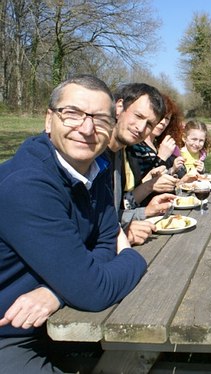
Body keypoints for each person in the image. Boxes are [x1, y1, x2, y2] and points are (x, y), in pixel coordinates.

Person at [0, 75, 147, 372]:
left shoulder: (95, 170)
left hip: (52, 326)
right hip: (9, 335)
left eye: (101, 119)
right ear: (48, 120)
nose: (87, 128)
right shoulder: (27, 184)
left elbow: (105, 242)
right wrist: (133, 257)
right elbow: (95, 290)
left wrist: (56, 291)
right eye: (73, 114)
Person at [106, 83, 177, 246]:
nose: (140, 128)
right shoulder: (92, 152)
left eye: (150, 124)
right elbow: (81, 224)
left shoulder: (119, 153)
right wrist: (119, 235)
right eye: (138, 116)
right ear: (119, 107)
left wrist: (145, 211)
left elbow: (110, 214)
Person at [125, 94, 186, 205]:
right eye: (160, 116)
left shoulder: (158, 143)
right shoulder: (136, 144)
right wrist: (161, 157)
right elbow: (140, 183)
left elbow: (159, 177)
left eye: (167, 118)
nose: (163, 122)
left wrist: (173, 170)